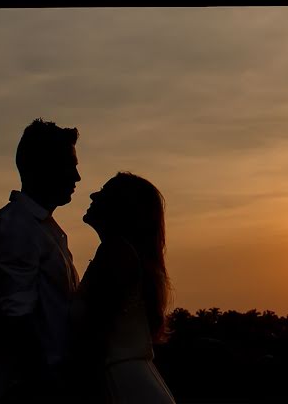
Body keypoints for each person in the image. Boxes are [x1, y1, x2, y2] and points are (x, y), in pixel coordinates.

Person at [0, 119, 82, 403]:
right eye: (69, 166)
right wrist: (48, 383)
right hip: (25, 387)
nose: (77, 177)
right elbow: (14, 318)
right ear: (42, 168)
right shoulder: (17, 227)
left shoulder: (43, 228)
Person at [72, 172, 176, 403]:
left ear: (121, 207)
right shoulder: (124, 254)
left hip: (124, 388)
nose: (93, 194)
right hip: (135, 384)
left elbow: (94, 335)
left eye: (104, 191)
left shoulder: (116, 253)